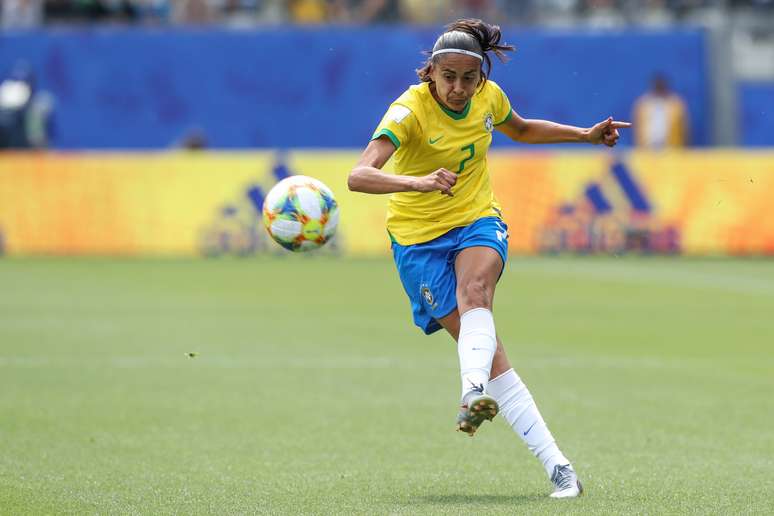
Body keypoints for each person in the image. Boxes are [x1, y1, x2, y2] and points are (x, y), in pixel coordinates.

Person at [347, 18, 629, 499]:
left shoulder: (488, 99)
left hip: (477, 218)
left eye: (468, 79)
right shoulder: (407, 112)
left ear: (482, 78)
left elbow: (519, 129)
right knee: (490, 353)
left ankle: (471, 394)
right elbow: (359, 175)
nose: (458, 88)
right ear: (430, 73)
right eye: (448, 77)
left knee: (476, 291)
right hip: (416, 241)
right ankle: (558, 465)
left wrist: (584, 135)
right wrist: (417, 181)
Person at [632, 73, 689, 148]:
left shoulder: (676, 104)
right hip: (647, 148)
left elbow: (683, 129)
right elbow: (637, 128)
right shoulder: (643, 104)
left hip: (672, 148)